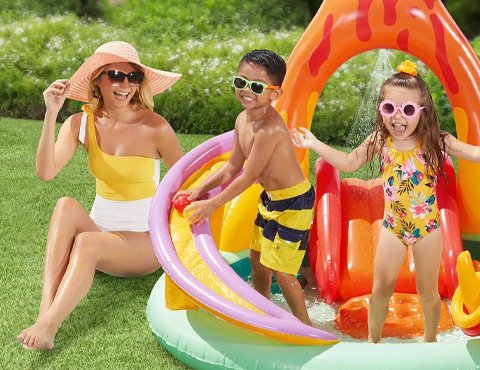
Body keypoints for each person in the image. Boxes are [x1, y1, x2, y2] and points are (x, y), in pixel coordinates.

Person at [292, 60, 480, 343]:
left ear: (422, 111)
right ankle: (373, 344)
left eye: (408, 110)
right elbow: (348, 163)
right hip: (393, 228)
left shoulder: (435, 140)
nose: (398, 118)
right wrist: (314, 144)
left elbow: (473, 153)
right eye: (390, 109)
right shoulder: (380, 140)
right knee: (379, 291)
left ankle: (430, 342)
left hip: (427, 229)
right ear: (381, 110)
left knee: (428, 292)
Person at [17, 41, 184, 350]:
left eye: (134, 77)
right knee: (65, 205)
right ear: (97, 79)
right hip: (100, 232)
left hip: (143, 242)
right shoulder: (80, 124)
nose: (125, 85)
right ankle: (46, 313)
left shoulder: (156, 127)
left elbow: (187, 180)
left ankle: (51, 326)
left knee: (87, 243)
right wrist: (51, 114)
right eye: (116, 75)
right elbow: (46, 172)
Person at [176, 49, 314, 326]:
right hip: (272, 199)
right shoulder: (242, 120)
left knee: (282, 270)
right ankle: (261, 312)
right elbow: (230, 168)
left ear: (275, 94)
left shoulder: (270, 129)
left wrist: (210, 205)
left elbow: (247, 177)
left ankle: (305, 326)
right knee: (257, 259)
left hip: (295, 203)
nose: (246, 91)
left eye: (257, 86)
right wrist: (198, 190)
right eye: (241, 82)